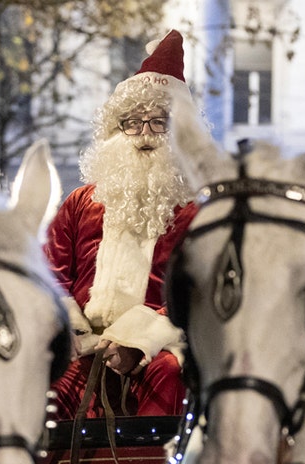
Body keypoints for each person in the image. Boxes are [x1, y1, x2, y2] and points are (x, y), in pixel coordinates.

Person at [43, 29, 197, 420]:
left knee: (171, 373)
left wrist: (136, 343)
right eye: (132, 122)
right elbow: (50, 277)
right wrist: (72, 333)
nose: (144, 135)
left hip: (156, 348)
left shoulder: (195, 214)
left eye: (158, 123)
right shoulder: (80, 203)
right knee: (38, 385)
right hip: (85, 346)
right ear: (116, 129)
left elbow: (193, 297)